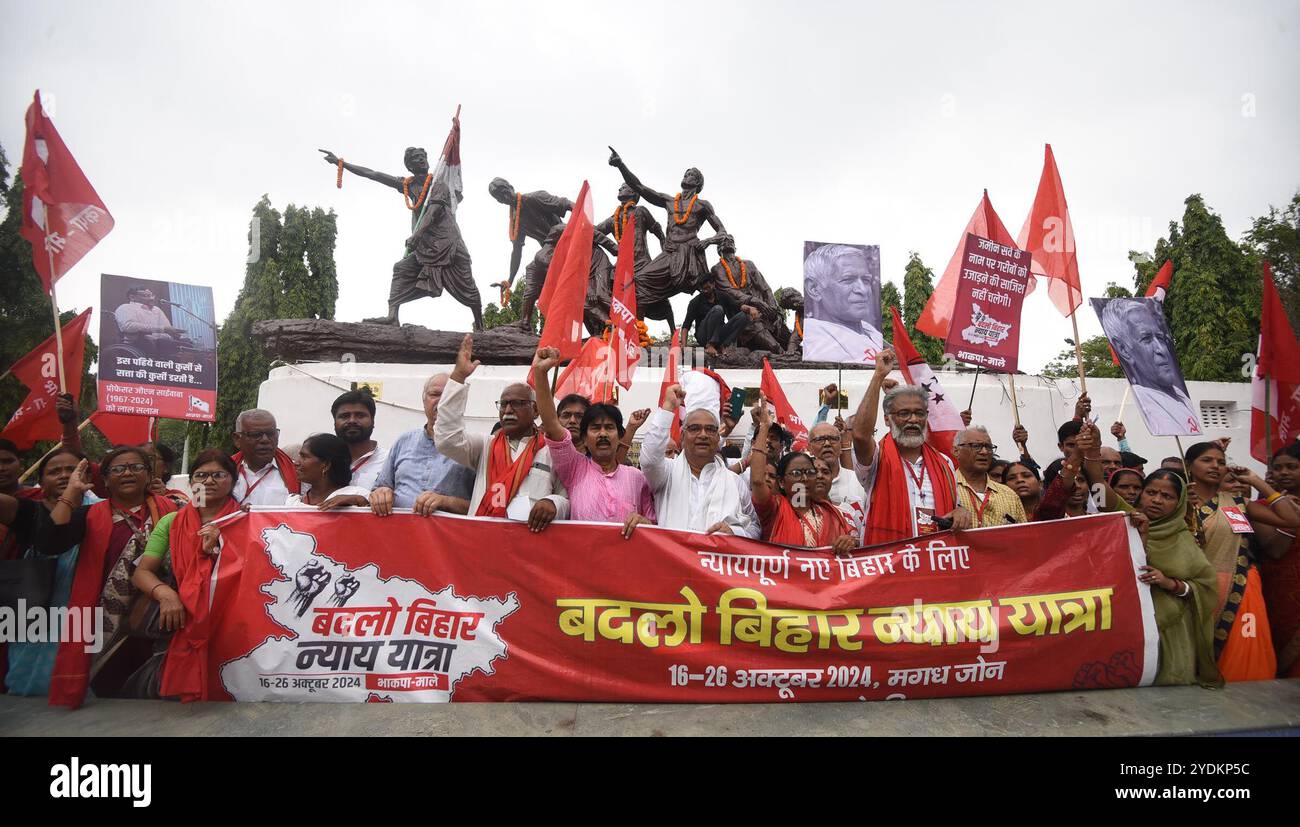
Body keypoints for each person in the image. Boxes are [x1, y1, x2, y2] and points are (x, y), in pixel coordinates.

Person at [35, 447, 180, 707]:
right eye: (117, 468)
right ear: (104, 479)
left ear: (149, 475)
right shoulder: (89, 515)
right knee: (108, 696)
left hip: (157, 620)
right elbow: (49, 543)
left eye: (136, 467)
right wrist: (71, 493)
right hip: (103, 625)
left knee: (153, 697)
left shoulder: (173, 512)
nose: (127, 473)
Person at [322, 142, 483, 329]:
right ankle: (392, 316)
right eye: (415, 158)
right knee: (401, 269)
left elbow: (432, 212)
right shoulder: (408, 184)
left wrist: (416, 235)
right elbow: (374, 175)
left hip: (448, 242)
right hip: (426, 246)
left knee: (467, 285)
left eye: (423, 156)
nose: (421, 159)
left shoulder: (439, 185)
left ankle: (479, 323)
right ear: (410, 166)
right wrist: (341, 164)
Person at [129, 449, 243, 700]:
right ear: (191, 483)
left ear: (234, 481)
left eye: (218, 475)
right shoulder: (172, 522)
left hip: (234, 628)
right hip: (181, 624)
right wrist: (167, 595)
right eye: (201, 475)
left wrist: (222, 547)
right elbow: (142, 572)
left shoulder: (247, 521)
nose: (209, 481)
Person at [1183, 441, 1300, 681]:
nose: (1215, 465)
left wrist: (1257, 481)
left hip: (1241, 588)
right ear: (1189, 466)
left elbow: (1290, 519)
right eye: (1207, 460)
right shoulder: (1179, 502)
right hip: (1196, 589)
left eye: (1221, 462)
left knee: (1244, 654)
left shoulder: (1238, 503)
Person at [434, 335, 569, 528]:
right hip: (484, 541)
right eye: (503, 405)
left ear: (536, 410)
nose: (507, 411)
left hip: (530, 546)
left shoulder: (550, 451)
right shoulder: (485, 446)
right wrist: (458, 377)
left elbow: (567, 498)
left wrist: (553, 503)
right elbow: (447, 440)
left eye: (517, 404)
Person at [531, 348, 655, 535]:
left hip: (624, 563)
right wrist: (540, 374)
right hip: (582, 561)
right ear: (584, 440)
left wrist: (643, 522)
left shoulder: (637, 478)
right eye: (595, 428)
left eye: (610, 427)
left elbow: (656, 528)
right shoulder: (574, 468)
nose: (603, 434)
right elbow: (551, 424)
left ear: (620, 436)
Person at [851, 349, 967, 544]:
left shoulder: (944, 462)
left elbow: (956, 507)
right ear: (887, 420)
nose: (913, 419)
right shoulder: (877, 457)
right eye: (904, 413)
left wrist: (962, 512)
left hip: (936, 560)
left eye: (919, 413)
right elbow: (861, 435)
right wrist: (878, 376)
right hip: (889, 564)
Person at [1, 448, 89, 695]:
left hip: (83, 616)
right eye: (54, 472)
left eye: (72, 470)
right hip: (31, 614)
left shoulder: (102, 511)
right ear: (40, 482)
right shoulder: (27, 511)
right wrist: (69, 497)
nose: (64, 476)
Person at [1130, 469, 1223, 687]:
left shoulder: (1182, 538)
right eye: (1151, 492)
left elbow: (1205, 587)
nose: (1156, 500)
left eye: (1167, 496)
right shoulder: (1124, 526)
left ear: (1179, 503)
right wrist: (1141, 536)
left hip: (1173, 630)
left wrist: (1169, 583)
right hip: (1131, 626)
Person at [638, 382, 760, 538]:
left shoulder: (735, 482)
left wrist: (734, 532)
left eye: (710, 429)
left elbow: (755, 528)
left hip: (716, 561)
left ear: (717, 437)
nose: (703, 435)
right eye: (695, 428)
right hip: (672, 560)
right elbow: (649, 460)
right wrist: (668, 407)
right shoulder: (667, 473)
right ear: (682, 437)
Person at [749, 403, 856, 551]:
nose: (804, 479)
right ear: (781, 482)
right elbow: (757, 480)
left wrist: (849, 542)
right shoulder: (774, 509)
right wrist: (764, 427)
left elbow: (854, 542)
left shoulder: (832, 512)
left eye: (809, 472)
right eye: (796, 473)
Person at [370, 373, 475, 516]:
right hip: (399, 533)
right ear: (424, 400)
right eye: (435, 394)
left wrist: (446, 502)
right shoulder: (404, 441)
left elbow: (484, 507)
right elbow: (380, 488)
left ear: (459, 403)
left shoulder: (472, 447)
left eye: (449, 395)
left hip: (446, 536)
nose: (442, 401)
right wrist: (381, 494)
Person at [1101, 299, 1199, 434]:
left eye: (1160, 337)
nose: (1162, 349)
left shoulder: (1180, 395)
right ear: (1123, 349)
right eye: (1146, 339)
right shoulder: (1150, 406)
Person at [801, 243, 883, 363]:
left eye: (866, 280)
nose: (863, 290)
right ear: (814, 289)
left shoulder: (869, 330)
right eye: (848, 280)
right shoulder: (817, 341)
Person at [1258, 444, 1300, 677]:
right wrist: (1290, 514)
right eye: (1277, 468)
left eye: (1292, 467)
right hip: (1280, 593)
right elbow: (1275, 550)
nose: (1283, 473)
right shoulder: (1262, 508)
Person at [706, 235, 786, 352]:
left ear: (735, 247)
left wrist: (774, 308)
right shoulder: (717, 269)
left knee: (783, 331)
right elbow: (730, 291)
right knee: (772, 345)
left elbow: (764, 287)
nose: (728, 241)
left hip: (762, 307)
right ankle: (782, 354)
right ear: (718, 249)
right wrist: (753, 300)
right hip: (741, 311)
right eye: (724, 241)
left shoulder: (748, 264)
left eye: (731, 240)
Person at [953, 426, 1027, 526]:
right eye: (975, 446)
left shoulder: (1009, 495)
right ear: (956, 451)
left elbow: (1024, 536)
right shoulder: (945, 489)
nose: (984, 452)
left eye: (988, 447)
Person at [231, 409, 300, 506]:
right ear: (237, 439)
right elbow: (203, 505)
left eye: (271, 433)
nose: (265, 440)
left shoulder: (298, 472)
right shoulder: (220, 472)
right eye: (256, 435)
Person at [287, 435, 372, 509]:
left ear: (326, 465)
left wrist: (359, 502)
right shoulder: (293, 503)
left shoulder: (358, 495)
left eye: (304, 457)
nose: (296, 463)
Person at [807, 421, 866, 528]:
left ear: (841, 446)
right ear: (809, 448)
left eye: (833, 439)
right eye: (820, 439)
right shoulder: (803, 485)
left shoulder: (859, 481)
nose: (827, 444)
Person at [680, 278, 755, 358]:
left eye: (708, 287)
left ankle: (724, 345)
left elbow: (737, 305)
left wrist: (750, 309)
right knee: (718, 309)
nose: (705, 291)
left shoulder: (722, 296)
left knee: (743, 316)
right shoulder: (695, 302)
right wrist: (684, 345)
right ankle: (710, 345)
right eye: (703, 289)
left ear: (713, 284)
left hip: (719, 334)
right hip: (703, 336)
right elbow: (686, 326)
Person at [331, 389, 389, 491]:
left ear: (373, 420)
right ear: (334, 422)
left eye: (360, 415)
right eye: (344, 416)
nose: (352, 421)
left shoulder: (389, 461)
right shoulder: (322, 461)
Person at [113, 285, 190, 359]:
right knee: (182, 347)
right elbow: (128, 326)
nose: (152, 298)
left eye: (152, 295)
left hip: (162, 342)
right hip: (139, 343)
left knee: (188, 343)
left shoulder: (157, 309)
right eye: (146, 296)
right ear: (132, 297)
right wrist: (163, 329)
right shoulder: (125, 308)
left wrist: (174, 334)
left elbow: (167, 327)